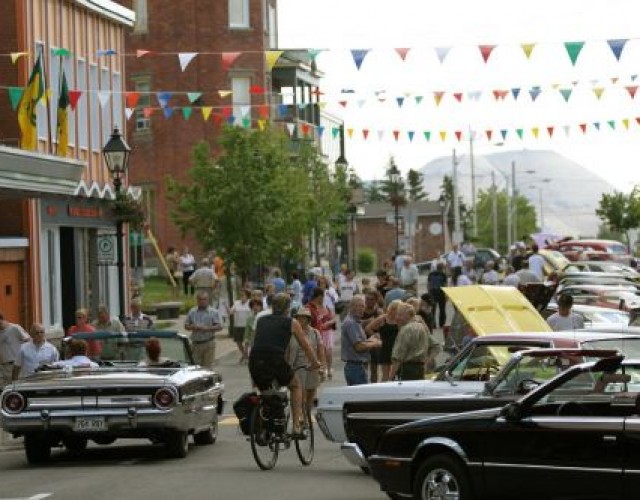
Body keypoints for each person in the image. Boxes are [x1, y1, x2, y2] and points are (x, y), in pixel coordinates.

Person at [249, 293, 322, 437]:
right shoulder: (291, 322)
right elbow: (306, 345)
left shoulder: (261, 320)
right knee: (295, 386)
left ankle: (265, 428)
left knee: (267, 393)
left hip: (255, 360)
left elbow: (256, 342)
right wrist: (315, 362)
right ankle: (296, 427)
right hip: (274, 359)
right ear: (288, 308)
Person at [288, 307, 326, 411]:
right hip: (296, 367)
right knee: (299, 395)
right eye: (298, 318)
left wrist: (322, 367)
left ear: (308, 319)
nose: (300, 320)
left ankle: (307, 416)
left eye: (303, 318)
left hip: (311, 367)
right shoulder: (292, 333)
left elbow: (321, 350)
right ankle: (299, 417)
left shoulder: (315, 333)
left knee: (310, 397)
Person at [341, 295, 382, 385]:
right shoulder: (351, 323)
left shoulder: (355, 321)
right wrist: (375, 343)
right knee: (361, 397)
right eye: (357, 306)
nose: (360, 309)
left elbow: (359, 342)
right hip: (356, 367)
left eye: (362, 306)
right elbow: (358, 347)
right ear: (350, 307)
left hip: (356, 367)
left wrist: (371, 339)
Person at [389, 303, 432, 381]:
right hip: (420, 368)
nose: (397, 318)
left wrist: (390, 378)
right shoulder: (422, 327)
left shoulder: (405, 330)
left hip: (406, 370)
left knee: (405, 392)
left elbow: (397, 358)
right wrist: (426, 361)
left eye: (400, 315)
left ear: (408, 315)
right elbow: (436, 346)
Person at [365, 299, 401, 382]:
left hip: (397, 348)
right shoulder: (383, 319)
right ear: (392, 309)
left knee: (396, 372)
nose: (398, 313)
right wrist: (375, 336)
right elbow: (368, 328)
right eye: (397, 310)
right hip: (385, 348)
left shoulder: (399, 320)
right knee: (385, 375)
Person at [185, 291, 222, 369]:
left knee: (207, 367)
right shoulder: (192, 311)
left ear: (208, 300)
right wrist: (193, 327)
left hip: (208, 342)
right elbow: (186, 325)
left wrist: (207, 328)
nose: (202, 301)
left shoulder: (213, 312)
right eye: (200, 299)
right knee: (195, 367)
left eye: (204, 299)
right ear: (197, 300)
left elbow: (219, 326)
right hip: (196, 344)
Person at [307, 287, 337, 379]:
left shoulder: (316, 307)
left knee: (323, 352)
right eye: (322, 296)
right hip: (313, 336)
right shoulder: (309, 308)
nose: (323, 298)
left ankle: (322, 372)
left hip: (319, 335)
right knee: (318, 353)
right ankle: (319, 373)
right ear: (319, 296)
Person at [361, 290, 384, 383]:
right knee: (363, 367)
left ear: (376, 300)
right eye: (367, 299)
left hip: (374, 343)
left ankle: (373, 385)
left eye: (371, 299)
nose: (368, 301)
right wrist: (368, 321)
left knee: (374, 368)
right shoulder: (361, 310)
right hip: (362, 341)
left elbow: (381, 326)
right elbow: (355, 324)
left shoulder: (379, 312)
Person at [0, 313, 29, 386]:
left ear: (2, 319)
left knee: (17, 386)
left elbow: (27, 341)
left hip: (16, 364)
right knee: (6, 389)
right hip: (4, 367)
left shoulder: (14, 328)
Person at [230, 289, 252, 363]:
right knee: (238, 342)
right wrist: (229, 310)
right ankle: (245, 355)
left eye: (243, 295)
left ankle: (245, 355)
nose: (241, 296)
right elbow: (231, 312)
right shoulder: (236, 303)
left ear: (247, 296)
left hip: (247, 326)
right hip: (238, 325)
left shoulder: (250, 303)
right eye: (240, 295)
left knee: (246, 342)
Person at [427, 262, 448, 329]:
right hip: (441, 293)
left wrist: (429, 292)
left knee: (433, 310)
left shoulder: (431, 274)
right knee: (442, 309)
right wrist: (446, 295)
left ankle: (433, 325)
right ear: (442, 268)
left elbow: (428, 284)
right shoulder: (443, 274)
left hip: (432, 293)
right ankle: (441, 324)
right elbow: (445, 285)